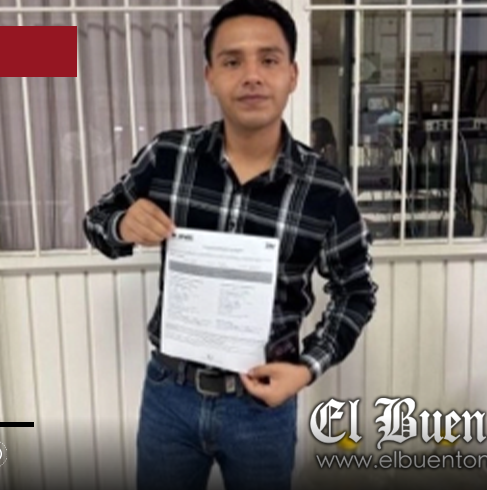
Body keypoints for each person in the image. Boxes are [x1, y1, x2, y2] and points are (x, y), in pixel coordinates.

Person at [83, 1, 376, 489]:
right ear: (210, 76)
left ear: (292, 75)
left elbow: (357, 291)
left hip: (262, 406)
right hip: (170, 396)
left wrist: (306, 368)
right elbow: (97, 221)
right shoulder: (169, 157)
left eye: (269, 59)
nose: (252, 76)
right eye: (232, 61)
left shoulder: (325, 189)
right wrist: (122, 226)